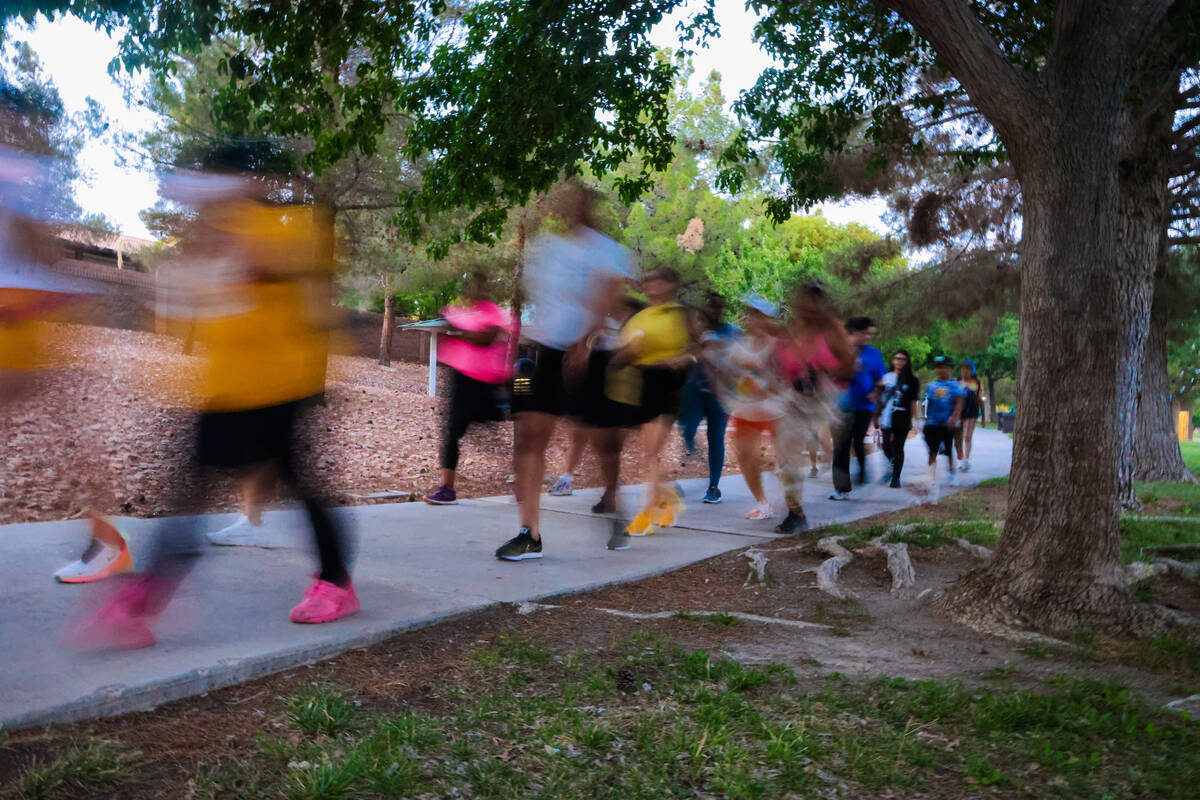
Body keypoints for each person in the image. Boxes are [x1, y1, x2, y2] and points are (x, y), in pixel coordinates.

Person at [67, 143, 357, 650]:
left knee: (301, 488)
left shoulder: (287, 226)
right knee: (190, 490)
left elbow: (268, 263)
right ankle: (144, 601)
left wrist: (224, 213)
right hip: (227, 388)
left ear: (253, 180)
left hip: (283, 387)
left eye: (225, 178)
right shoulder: (218, 231)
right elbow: (190, 302)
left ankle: (336, 582)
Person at [496, 183, 634, 561]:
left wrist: (585, 344)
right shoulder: (547, 248)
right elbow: (537, 300)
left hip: (589, 355)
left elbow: (606, 297)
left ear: (593, 207)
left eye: (582, 200)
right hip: (545, 352)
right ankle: (530, 534)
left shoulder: (608, 250)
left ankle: (614, 503)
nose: (574, 207)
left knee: (603, 441)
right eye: (569, 201)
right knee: (530, 436)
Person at [607, 267, 693, 539]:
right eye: (647, 280)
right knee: (649, 453)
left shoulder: (682, 315)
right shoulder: (640, 317)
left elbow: (699, 347)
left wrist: (685, 360)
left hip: (669, 382)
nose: (649, 285)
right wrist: (626, 353)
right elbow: (621, 355)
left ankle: (647, 512)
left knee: (651, 453)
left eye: (655, 280)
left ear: (669, 284)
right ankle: (668, 497)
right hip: (640, 383)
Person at [425, 271, 516, 504]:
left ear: (485, 288)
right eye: (470, 287)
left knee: (489, 437)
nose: (472, 291)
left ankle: (519, 479)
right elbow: (448, 322)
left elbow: (486, 339)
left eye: (477, 286)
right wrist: (454, 327)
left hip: (483, 383)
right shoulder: (466, 313)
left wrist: (458, 333)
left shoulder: (494, 312)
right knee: (452, 432)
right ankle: (447, 488)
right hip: (461, 379)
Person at [773, 283, 854, 532]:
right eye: (802, 302)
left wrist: (823, 372)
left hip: (822, 398)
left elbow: (849, 368)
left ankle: (832, 461)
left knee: (800, 446)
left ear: (820, 305)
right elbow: (781, 363)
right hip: (793, 397)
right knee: (785, 457)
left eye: (811, 303)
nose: (805, 308)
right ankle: (795, 513)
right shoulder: (794, 328)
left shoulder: (833, 330)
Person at [705, 294, 790, 521]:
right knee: (746, 457)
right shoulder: (739, 345)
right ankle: (762, 503)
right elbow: (725, 373)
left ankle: (793, 505)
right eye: (751, 314)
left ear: (769, 319)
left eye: (759, 315)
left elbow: (787, 378)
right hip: (747, 410)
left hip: (776, 409)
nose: (754, 319)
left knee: (786, 460)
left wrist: (760, 372)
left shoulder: (779, 347)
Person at [677, 292, 737, 505]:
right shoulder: (696, 332)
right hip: (694, 390)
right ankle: (695, 459)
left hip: (720, 395)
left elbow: (741, 360)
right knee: (687, 429)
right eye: (711, 307)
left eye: (718, 307)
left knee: (716, 438)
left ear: (723, 309)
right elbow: (684, 357)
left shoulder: (733, 333)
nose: (714, 311)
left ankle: (713, 486)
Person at [829, 316, 887, 501]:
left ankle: (862, 470)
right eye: (866, 333)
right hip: (840, 405)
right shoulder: (839, 351)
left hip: (864, 406)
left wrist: (876, 394)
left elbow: (881, 381)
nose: (868, 337)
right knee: (841, 446)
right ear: (855, 332)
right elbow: (828, 374)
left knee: (858, 439)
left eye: (871, 334)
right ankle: (841, 488)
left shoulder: (873, 354)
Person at [875, 349, 920, 488]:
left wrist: (914, 421)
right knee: (886, 444)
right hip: (887, 416)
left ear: (907, 362)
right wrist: (876, 415)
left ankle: (896, 478)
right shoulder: (886, 377)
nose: (899, 361)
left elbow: (913, 402)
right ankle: (893, 462)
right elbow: (879, 398)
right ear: (893, 360)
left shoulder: (912, 380)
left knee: (899, 446)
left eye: (902, 359)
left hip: (903, 416)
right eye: (897, 358)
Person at [923, 355, 966, 489]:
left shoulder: (956, 385)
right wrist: (926, 420)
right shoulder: (931, 386)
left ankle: (952, 474)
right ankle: (931, 476)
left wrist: (954, 417)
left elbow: (959, 402)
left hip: (948, 424)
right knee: (932, 451)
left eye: (944, 368)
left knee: (949, 450)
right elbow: (928, 404)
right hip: (933, 423)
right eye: (939, 368)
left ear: (950, 370)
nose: (941, 371)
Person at [955, 360, 982, 472]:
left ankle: (966, 460)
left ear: (972, 371)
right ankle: (961, 459)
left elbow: (980, 400)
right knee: (958, 438)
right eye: (963, 369)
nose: (965, 371)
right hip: (959, 413)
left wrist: (984, 418)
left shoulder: (976, 383)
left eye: (968, 369)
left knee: (967, 436)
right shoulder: (957, 382)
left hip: (972, 412)